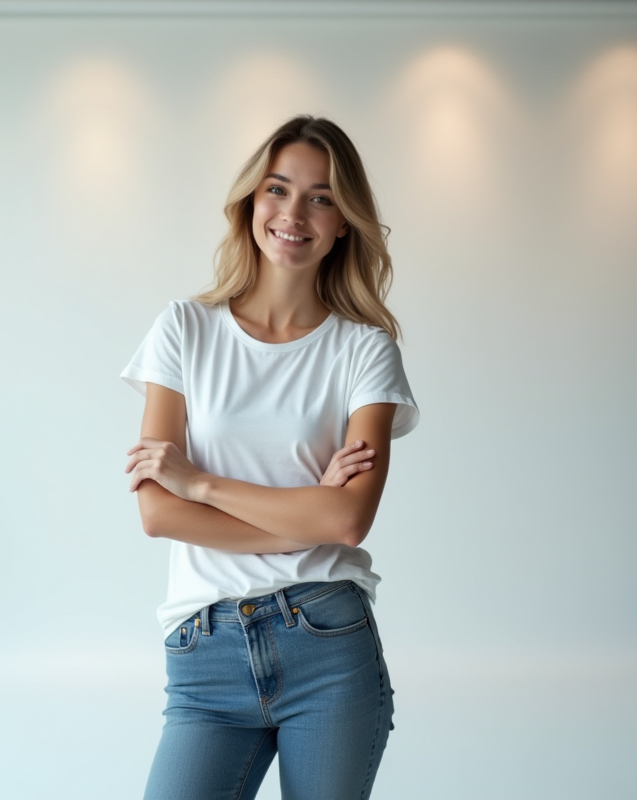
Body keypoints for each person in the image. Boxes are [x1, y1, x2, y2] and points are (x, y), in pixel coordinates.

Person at [121, 115, 419, 800]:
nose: (293, 213)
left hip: (327, 644)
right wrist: (299, 519)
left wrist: (199, 480)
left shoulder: (365, 351)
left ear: (345, 221)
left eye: (320, 197)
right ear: (251, 201)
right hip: (204, 651)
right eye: (277, 189)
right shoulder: (182, 331)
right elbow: (158, 513)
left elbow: (346, 522)